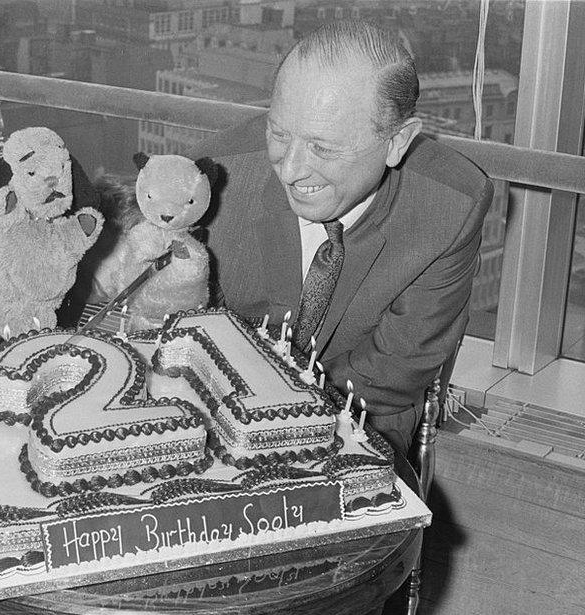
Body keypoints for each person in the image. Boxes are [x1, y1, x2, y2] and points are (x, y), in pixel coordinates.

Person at [190, 20, 493, 457]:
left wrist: (281, 431)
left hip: (358, 417)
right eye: (279, 133)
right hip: (218, 408)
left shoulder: (449, 207)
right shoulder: (212, 180)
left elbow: (392, 372)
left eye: (322, 148)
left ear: (397, 142)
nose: (290, 169)